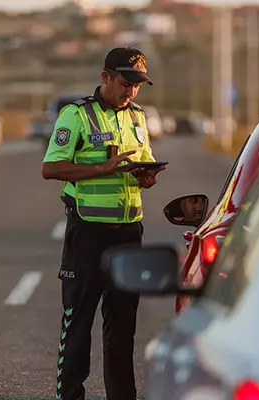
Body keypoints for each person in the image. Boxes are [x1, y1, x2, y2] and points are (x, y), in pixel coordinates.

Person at [41, 47, 166, 400]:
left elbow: (144, 162)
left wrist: (147, 175)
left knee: (123, 328)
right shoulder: (75, 116)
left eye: (138, 85)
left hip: (129, 233)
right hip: (88, 234)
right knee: (78, 323)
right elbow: (50, 168)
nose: (131, 92)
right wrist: (101, 169)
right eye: (126, 83)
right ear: (105, 77)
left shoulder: (138, 118)